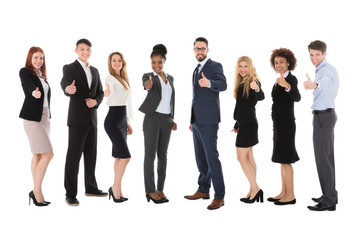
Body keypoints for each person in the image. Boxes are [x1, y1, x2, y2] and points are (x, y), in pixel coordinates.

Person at [60, 38, 107, 206]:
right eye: (82, 49)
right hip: (77, 119)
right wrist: (67, 89)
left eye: (88, 49)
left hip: (92, 119)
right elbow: (64, 82)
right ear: (76, 51)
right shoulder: (69, 68)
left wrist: (95, 102)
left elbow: (100, 92)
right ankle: (70, 193)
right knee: (73, 157)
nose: (85, 52)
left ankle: (91, 187)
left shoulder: (94, 70)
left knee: (91, 155)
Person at [184, 37, 227, 210]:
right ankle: (203, 189)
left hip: (209, 120)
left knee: (211, 158)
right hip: (197, 121)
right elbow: (195, 98)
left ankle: (219, 196)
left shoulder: (215, 66)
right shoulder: (196, 69)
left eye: (202, 49)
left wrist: (209, 83)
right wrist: (191, 120)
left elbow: (223, 85)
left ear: (207, 50)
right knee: (200, 158)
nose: (199, 51)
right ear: (194, 50)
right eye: (197, 49)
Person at [139, 44, 176, 204]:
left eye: (159, 62)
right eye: (153, 63)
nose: (156, 66)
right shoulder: (148, 76)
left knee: (163, 156)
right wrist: (148, 84)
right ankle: (150, 190)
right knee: (150, 156)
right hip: (152, 120)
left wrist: (171, 119)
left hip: (166, 120)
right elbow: (146, 85)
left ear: (164, 61)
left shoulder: (170, 78)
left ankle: (160, 188)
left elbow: (170, 100)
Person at [304, 40, 339, 211]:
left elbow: (324, 82)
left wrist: (315, 84)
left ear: (325, 54)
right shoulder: (320, 69)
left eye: (317, 54)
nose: (314, 57)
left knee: (323, 159)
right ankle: (329, 194)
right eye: (311, 54)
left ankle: (329, 200)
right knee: (327, 158)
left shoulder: (326, 71)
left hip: (323, 118)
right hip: (324, 117)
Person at [20, 46, 53, 207]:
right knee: (48, 154)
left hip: (45, 117)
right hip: (32, 118)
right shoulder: (25, 71)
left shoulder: (42, 75)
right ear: (30, 59)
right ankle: (37, 191)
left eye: (41, 58)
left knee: (38, 155)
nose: (39, 61)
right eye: (36, 58)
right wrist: (34, 92)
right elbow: (28, 85)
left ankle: (35, 190)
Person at [267, 48, 301, 205]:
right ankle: (283, 191)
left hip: (287, 124)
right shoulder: (278, 79)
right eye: (276, 62)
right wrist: (274, 129)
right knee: (281, 159)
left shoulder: (291, 79)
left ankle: (291, 195)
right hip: (279, 124)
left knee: (286, 159)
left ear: (288, 62)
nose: (278, 65)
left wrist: (286, 85)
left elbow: (297, 97)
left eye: (281, 62)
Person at [231, 56, 264, 204]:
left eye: (245, 66)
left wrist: (257, 88)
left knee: (241, 158)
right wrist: (237, 125)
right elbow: (243, 107)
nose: (243, 69)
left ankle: (256, 188)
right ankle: (252, 189)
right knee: (249, 158)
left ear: (250, 68)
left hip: (249, 125)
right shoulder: (241, 83)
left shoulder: (253, 82)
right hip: (244, 124)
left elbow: (260, 95)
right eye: (240, 66)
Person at [104, 52, 133, 203]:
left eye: (119, 60)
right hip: (113, 121)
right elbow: (109, 92)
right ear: (110, 63)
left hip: (122, 120)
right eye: (114, 61)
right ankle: (115, 188)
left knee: (119, 156)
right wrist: (106, 93)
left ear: (123, 62)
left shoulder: (123, 79)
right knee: (126, 156)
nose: (117, 63)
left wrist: (127, 122)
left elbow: (125, 102)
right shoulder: (110, 78)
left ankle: (118, 188)